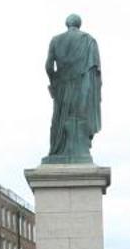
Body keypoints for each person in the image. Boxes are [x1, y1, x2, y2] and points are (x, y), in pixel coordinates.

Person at [44, 13, 102, 163]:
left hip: (62, 87)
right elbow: (94, 70)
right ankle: (79, 151)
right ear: (79, 24)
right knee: (78, 118)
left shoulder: (56, 40)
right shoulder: (89, 40)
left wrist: (54, 82)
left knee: (59, 120)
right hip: (82, 84)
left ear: (67, 24)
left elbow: (49, 66)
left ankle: (58, 151)